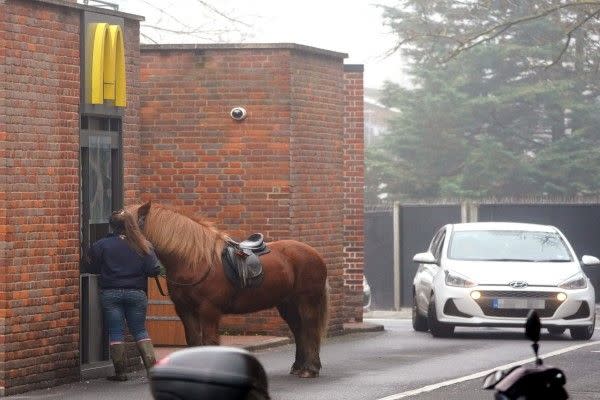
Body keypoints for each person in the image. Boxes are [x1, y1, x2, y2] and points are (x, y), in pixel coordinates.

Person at [87, 209, 161, 381]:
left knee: (116, 332)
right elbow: (153, 269)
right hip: (136, 293)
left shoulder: (101, 245)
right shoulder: (143, 244)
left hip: (110, 293)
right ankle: (153, 372)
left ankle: (120, 373)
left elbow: (90, 266)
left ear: (111, 226)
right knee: (140, 331)